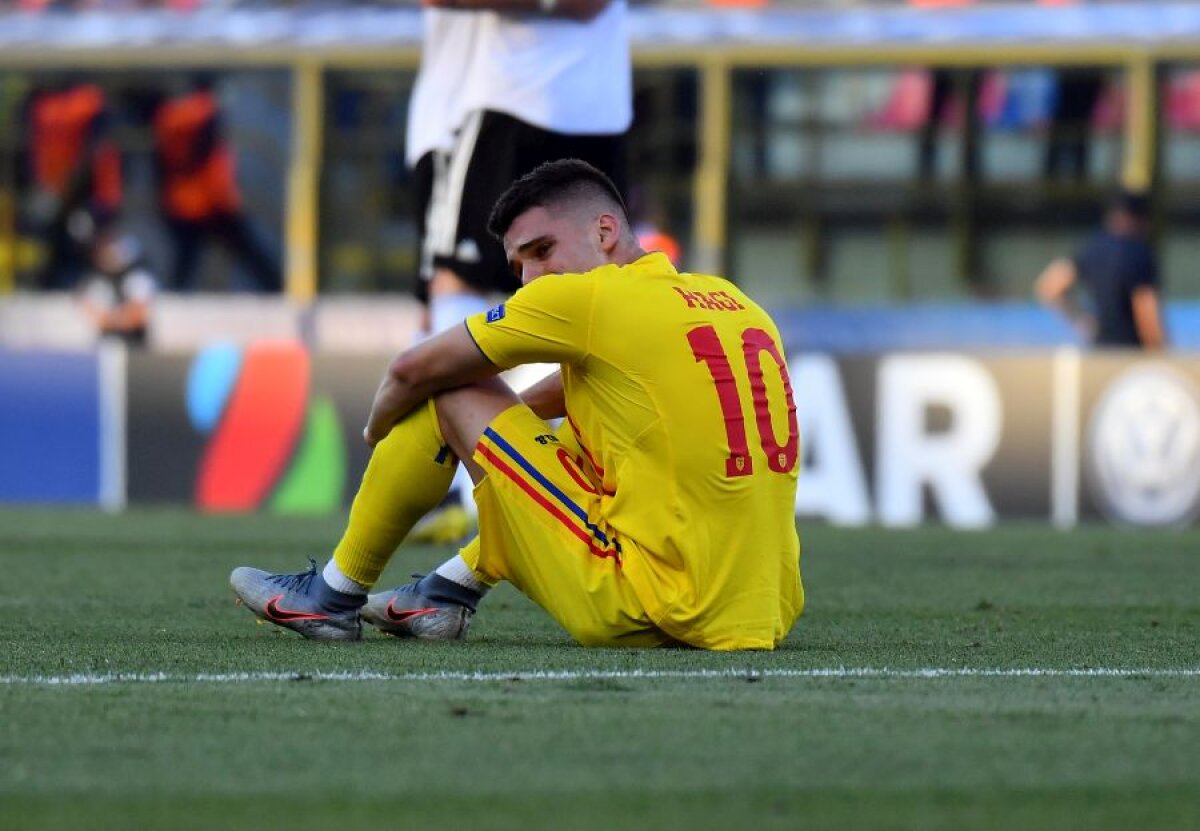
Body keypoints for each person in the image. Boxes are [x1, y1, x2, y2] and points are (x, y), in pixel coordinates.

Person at [230, 159, 804, 651]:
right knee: (589, 433)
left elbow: (411, 369)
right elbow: (599, 394)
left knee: (449, 387)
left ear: (606, 230)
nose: (531, 280)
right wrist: (504, 434)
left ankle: (331, 597)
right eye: (519, 265)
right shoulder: (731, 300)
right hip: (764, 611)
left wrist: (382, 434)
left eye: (542, 250)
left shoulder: (591, 298)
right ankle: (445, 592)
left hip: (651, 604)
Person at [404, 0, 631, 540]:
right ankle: (490, 479)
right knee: (501, 288)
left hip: (517, 97)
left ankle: (481, 480)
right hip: (523, 100)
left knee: (467, 282)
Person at [153, 74, 281, 292]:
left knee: (186, 256)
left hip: (183, 199)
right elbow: (204, 149)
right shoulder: (205, 110)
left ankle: (175, 295)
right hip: (212, 197)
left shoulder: (172, 115)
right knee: (247, 250)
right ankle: (278, 288)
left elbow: (162, 159)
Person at [21, 78, 123, 290]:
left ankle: (62, 283)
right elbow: (88, 158)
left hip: (56, 188)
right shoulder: (86, 107)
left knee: (68, 240)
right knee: (70, 243)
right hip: (75, 193)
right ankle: (63, 285)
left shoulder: (46, 108)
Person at [1035, 190, 1166, 349]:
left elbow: (1049, 287)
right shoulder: (1139, 253)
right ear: (1142, 220)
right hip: (1131, 352)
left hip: (1100, 350)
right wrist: (1159, 353)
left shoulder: (1092, 248)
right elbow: (1146, 309)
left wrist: (1082, 321)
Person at [75, 228, 157, 347]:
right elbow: (94, 316)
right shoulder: (95, 281)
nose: (108, 256)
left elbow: (138, 316)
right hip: (106, 344)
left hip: (135, 344)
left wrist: (114, 319)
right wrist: (119, 319)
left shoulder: (138, 277)